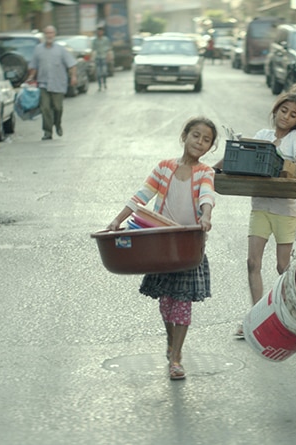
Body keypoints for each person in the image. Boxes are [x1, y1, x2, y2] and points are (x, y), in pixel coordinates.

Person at [107, 117, 218, 380]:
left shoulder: (205, 172)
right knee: (167, 303)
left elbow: (207, 195)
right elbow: (141, 196)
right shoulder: (164, 167)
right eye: (196, 135)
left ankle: (176, 358)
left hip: (188, 246)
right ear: (184, 136)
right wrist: (117, 220)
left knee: (182, 303)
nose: (199, 142)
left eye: (206, 140)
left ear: (210, 147)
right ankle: (172, 345)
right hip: (159, 245)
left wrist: (206, 216)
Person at [239, 92, 296, 336]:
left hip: (285, 211)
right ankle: (256, 317)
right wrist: (213, 171)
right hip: (260, 207)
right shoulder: (263, 135)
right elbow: (244, 156)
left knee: (283, 267)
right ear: (276, 110)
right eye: (284, 111)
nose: (286, 117)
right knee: (253, 263)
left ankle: (293, 314)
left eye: (293, 115)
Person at [26, 25, 77, 141]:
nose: (49, 35)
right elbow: (34, 66)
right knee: (45, 108)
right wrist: (31, 77)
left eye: (51, 33)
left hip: (58, 83)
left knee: (58, 108)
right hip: (43, 83)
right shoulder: (38, 49)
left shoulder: (61, 50)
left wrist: (73, 77)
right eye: (47, 33)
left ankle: (57, 124)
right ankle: (47, 132)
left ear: (54, 35)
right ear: (44, 35)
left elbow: (72, 64)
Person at [92, 26, 112, 91]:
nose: (99, 33)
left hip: (104, 57)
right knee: (98, 73)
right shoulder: (95, 40)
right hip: (98, 58)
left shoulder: (105, 39)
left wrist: (108, 56)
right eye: (98, 31)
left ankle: (105, 84)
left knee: (104, 72)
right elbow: (93, 50)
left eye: (101, 31)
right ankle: (100, 86)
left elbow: (109, 48)